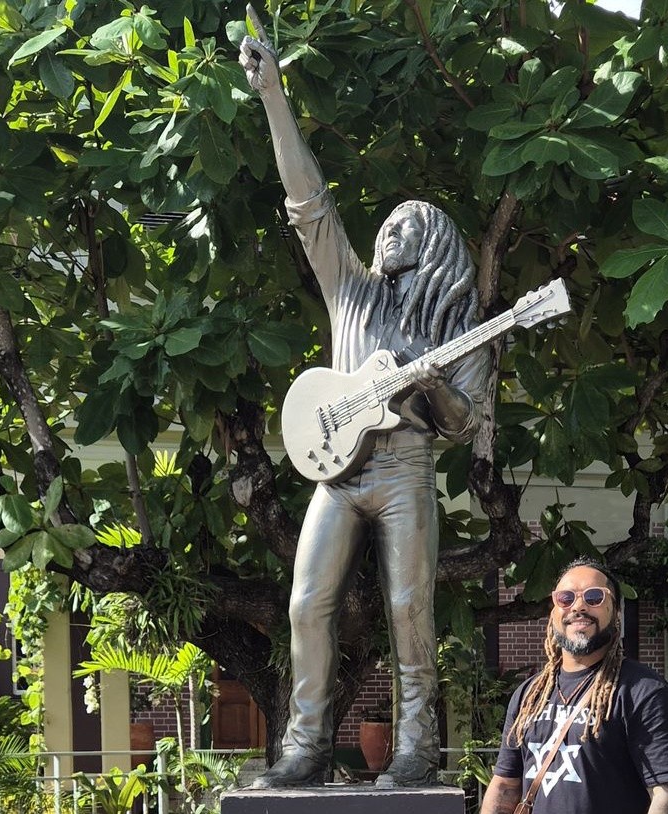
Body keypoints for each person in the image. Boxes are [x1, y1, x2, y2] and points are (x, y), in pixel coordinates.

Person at [238, 31, 490, 788]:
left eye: (407, 222)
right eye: (385, 221)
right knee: (305, 603)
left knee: (409, 609)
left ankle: (416, 748)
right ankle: (305, 745)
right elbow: (307, 201)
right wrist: (272, 96)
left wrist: (429, 384)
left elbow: (466, 421)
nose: (389, 227)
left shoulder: (457, 325)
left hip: (407, 470)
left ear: (437, 244)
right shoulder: (349, 289)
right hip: (335, 473)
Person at [482, 557, 668, 814]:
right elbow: (505, 786)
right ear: (554, 613)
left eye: (594, 597)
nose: (578, 606)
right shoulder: (528, 695)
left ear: (617, 612)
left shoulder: (644, 692)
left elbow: (666, 797)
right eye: (566, 598)